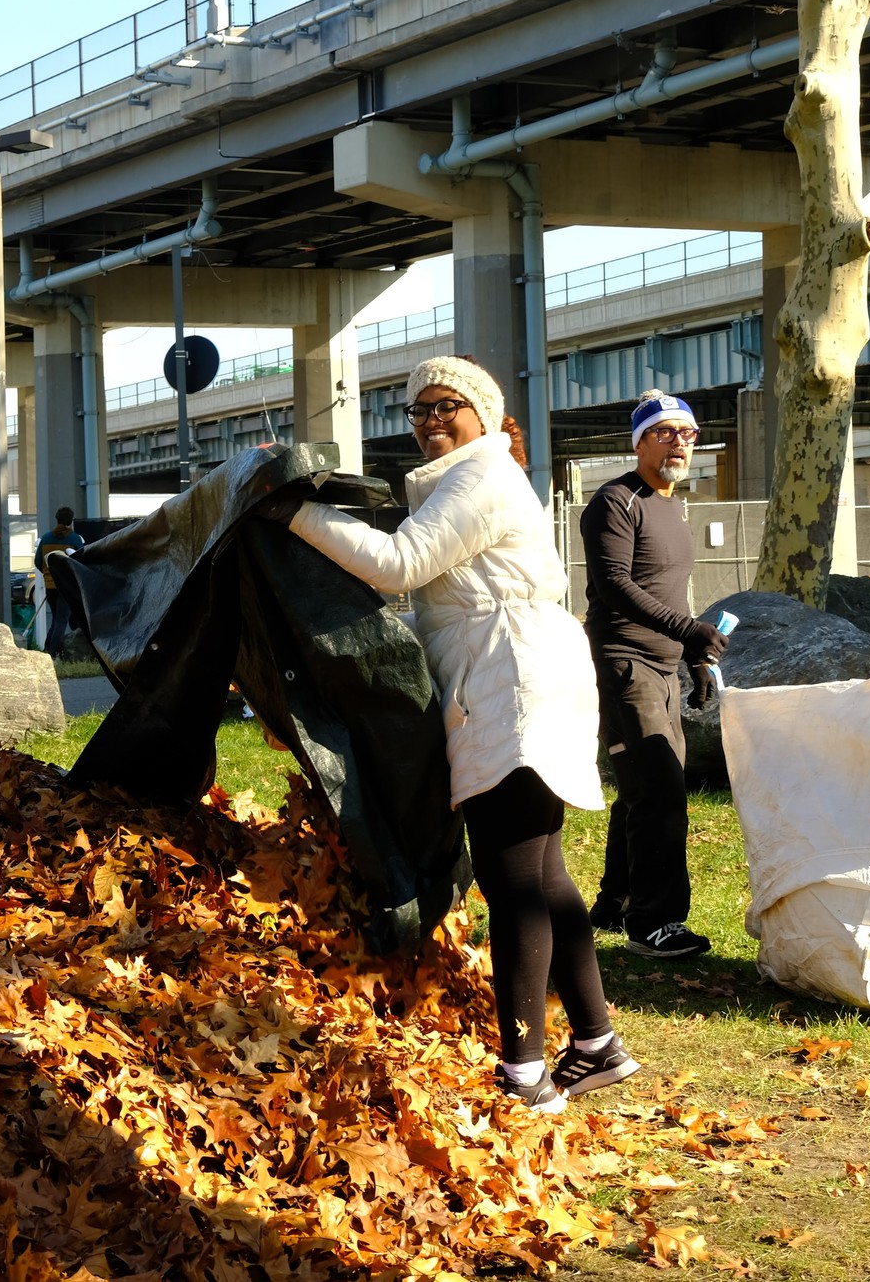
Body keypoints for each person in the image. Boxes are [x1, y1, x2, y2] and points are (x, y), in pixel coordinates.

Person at [276, 355, 640, 1113]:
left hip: (510, 677)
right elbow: (437, 599)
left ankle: (523, 1075)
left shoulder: (482, 478)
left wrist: (291, 513)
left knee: (512, 879)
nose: (430, 420)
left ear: (483, 413)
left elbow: (399, 565)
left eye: (447, 405)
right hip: (525, 668)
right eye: (417, 410)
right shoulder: (470, 481)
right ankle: (597, 1044)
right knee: (543, 872)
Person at [578, 390, 729, 960]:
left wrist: (692, 656)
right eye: (664, 432)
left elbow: (667, 587)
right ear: (638, 441)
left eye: (687, 434)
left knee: (645, 790)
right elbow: (615, 583)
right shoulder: (615, 502)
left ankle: (617, 904)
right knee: (660, 794)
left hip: (664, 666)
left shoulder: (671, 504)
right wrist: (687, 628)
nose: (678, 443)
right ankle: (655, 923)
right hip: (624, 663)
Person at [34, 506, 86, 654]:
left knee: (56, 619)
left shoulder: (46, 538)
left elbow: (38, 561)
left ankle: (46, 650)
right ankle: (53, 654)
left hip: (50, 586)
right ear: (70, 521)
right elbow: (81, 561)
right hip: (66, 586)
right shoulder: (74, 539)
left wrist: (47, 574)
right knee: (62, 621)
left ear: (56, 519)